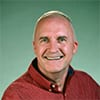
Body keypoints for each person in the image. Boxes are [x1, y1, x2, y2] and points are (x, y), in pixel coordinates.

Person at [2, 10, 100, 100]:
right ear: (35, 47)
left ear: (74, 47)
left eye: (61, 39)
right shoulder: (16, 95)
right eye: (44, 40)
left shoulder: (87, 83)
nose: (53, 49)